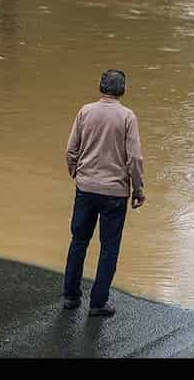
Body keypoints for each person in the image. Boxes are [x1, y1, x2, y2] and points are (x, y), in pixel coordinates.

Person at [62, 69, 146, 318]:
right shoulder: (127, 117)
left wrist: (77, 174)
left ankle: (70, 296)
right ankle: (98, 303)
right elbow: (135, 158)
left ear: (100, 87)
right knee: (109, 248)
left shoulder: (85, 112)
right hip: (114, 194)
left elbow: (70, 151)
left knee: (78, 242)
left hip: (85, 189)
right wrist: (138, 189)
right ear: (123, 90)